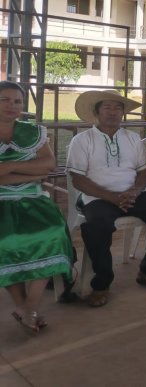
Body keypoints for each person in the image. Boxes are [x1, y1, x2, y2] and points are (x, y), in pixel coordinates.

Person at [67, 90, 146, 307]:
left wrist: (134, 192)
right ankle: (101, 284)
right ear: (96, 112)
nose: (113, 112)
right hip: (96, 198)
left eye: (118, 108)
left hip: (131, 194)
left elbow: (144, 172)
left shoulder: (132, 138)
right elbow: (78, 180)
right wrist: (112, 197)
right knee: (96, 228)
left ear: (123, 113)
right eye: (107, 107)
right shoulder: (82, 140)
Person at [0, 81, 74, 334]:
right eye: (5, 100)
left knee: (53, 231)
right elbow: (38, 169)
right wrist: (30, 172)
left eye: (17, 101)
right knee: (5, 241)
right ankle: (22, 306)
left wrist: (7, 168)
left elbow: (48, 165)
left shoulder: (32, 132)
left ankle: (30, 306)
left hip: (33, 198)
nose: (12, 106)